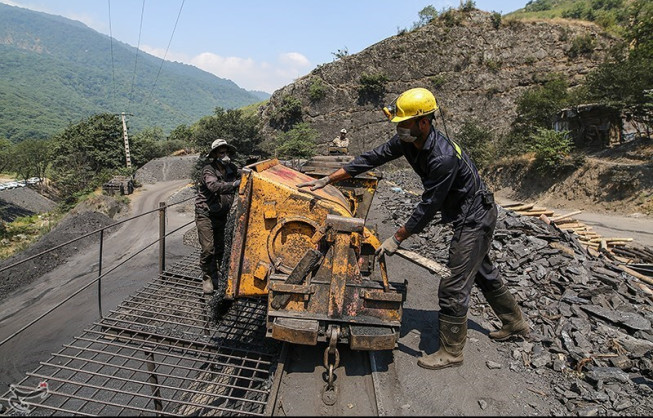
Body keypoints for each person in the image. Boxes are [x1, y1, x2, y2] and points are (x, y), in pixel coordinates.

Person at [297, 87, 529, 370]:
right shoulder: (408, 142)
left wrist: (397, 238)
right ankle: (514, 323)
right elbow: (371, 158)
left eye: (404, 124)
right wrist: (328, 180)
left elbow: (429, 205)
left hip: (476, 217)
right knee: (482, 271)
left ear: (424, 122)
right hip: (466, 213)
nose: (400, 130)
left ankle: (452, 352)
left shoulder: (441, 157)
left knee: (454, 284)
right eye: (398, 125)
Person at [195, 139, 241, 294]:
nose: (225, 155)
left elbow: (244, 173)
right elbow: (213, 186)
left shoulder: (231, 168)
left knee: (220, 248)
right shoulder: (209, 170)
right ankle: (207, 277)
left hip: (222, 214)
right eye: (222, 152)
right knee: (208, 248)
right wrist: (234, 185)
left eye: (226, 152)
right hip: (205, 213)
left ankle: (218, 277)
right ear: (215, 154)